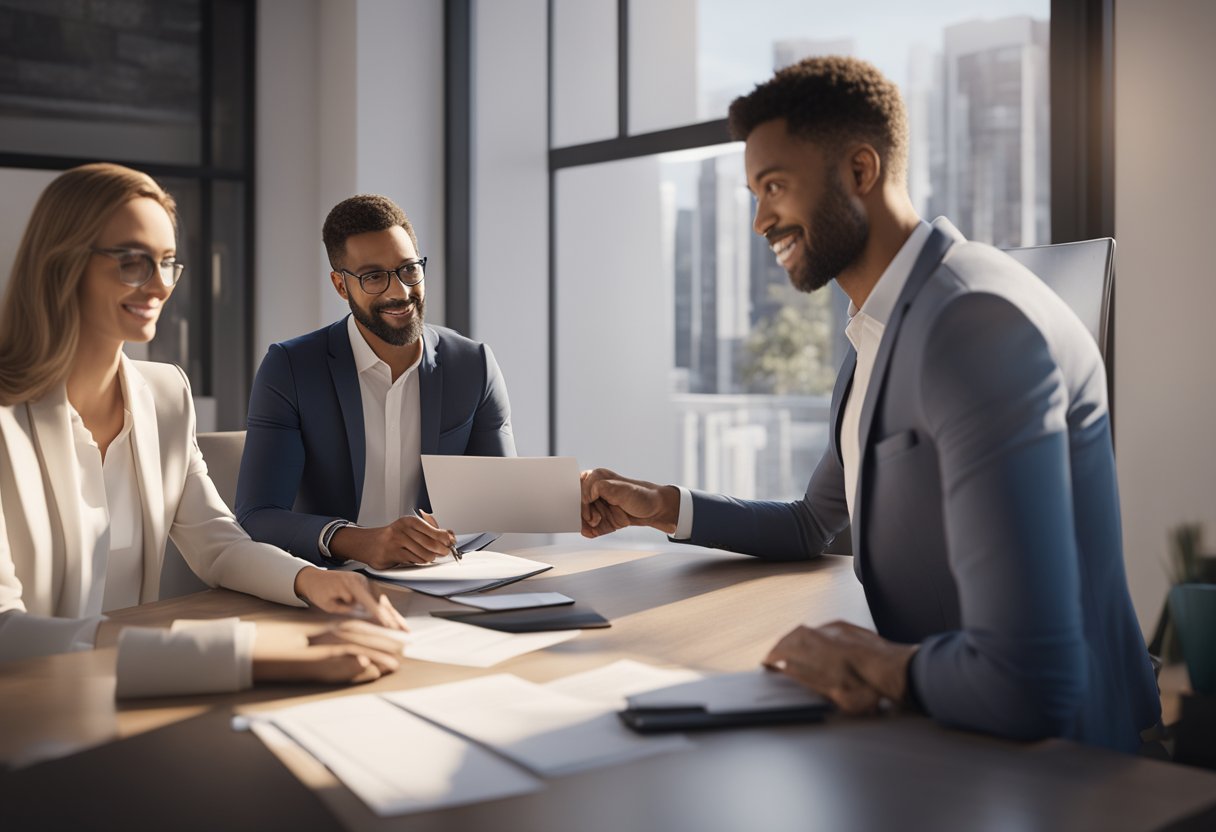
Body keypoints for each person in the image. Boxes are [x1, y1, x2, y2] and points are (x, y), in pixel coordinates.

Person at [580, 56, 1160, 751]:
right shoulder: (879, 326)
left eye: (774, 187)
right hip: (952, 729)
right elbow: (812, 525)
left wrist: (873, 661)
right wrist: (663, 505)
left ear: (860, 171)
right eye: (752, 194)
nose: (761, 219)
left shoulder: (971, 321)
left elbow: (1030, 679)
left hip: (1063, 767)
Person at [0, 163, 407, 697]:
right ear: (61, 263)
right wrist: (253, 656)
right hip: (29, 709)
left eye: (168, 262)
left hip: (134, 698)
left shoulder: (165, 394)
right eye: (132, 262)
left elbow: (217, 542)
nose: (160, 285)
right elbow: (7, 633)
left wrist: (317, 580)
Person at [236, 194, 515, 570]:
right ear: (340, 285)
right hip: (329, 583)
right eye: (373, 277)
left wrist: (451, 531)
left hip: (440, 579)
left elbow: (500, 500)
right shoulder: (291, 368)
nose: (398, 291)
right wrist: (358, 541)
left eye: (408, 269)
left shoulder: (473, 365)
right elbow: (258, 514)